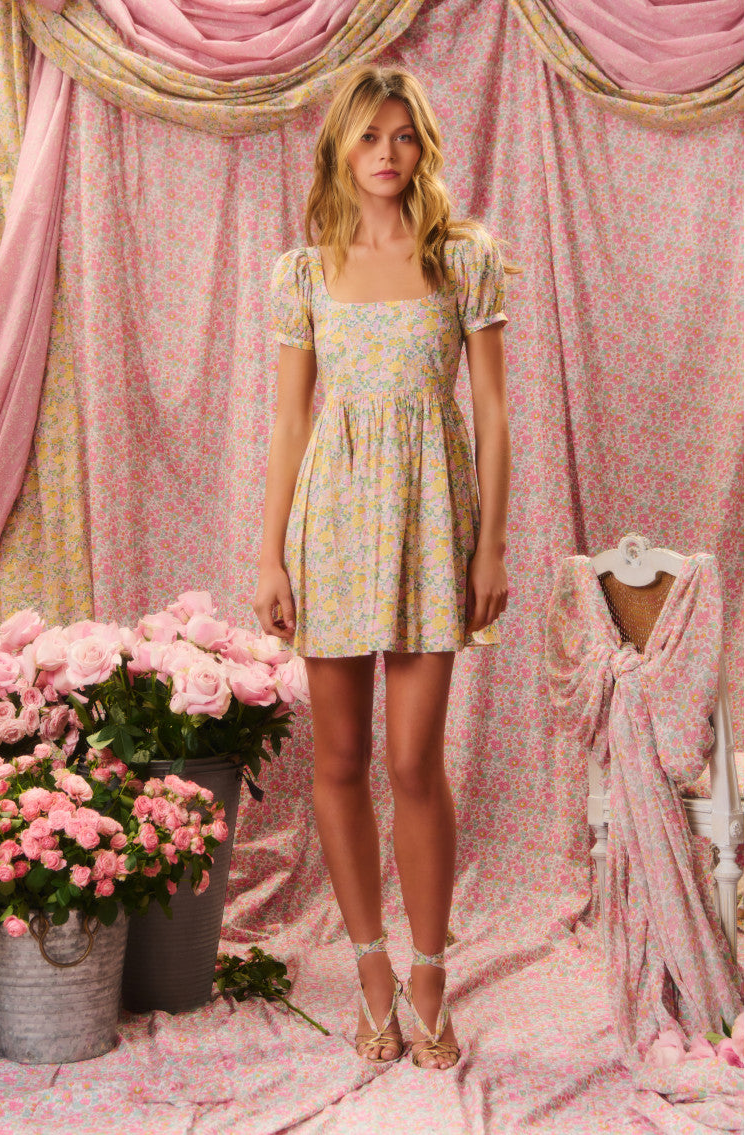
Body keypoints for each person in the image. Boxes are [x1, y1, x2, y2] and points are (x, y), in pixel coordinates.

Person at [254, 65, 511, 1071]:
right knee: (337, 760)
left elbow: (491, 411)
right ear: (340, 149)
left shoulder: (464, 258)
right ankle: (370, 971)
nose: (387, 153)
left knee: (411, 761)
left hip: (432, 522)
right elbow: (289, 421)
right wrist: (269, 553)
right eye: (368, 136)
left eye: (402, 135)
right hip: (330, 526)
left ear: (422, 147)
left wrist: (490, 543)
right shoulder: (303, 271)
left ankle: (429, 974)